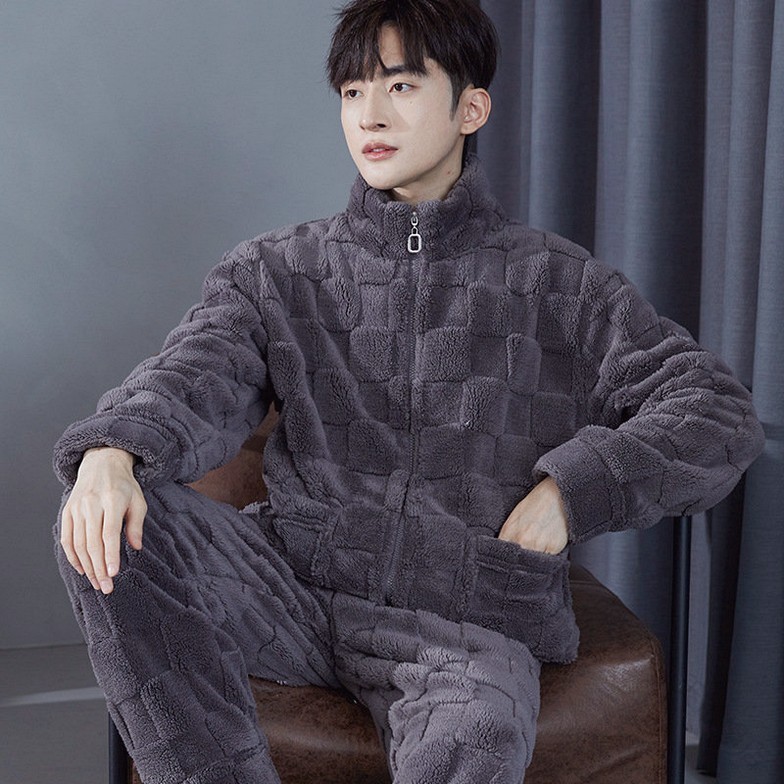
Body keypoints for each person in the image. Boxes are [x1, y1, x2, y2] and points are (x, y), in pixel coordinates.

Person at [53, 1, 765, 782]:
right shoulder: (276, 272)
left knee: (476, 735)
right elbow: (192, 376)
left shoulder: (561, 285)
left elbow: (716, 412)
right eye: (353, 92)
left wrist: (572, 492)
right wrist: (112, 454)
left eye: (400, 85)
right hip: (288, 586)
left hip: (462, 618)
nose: (371, 115)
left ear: (470, 109)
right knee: (102, 525)